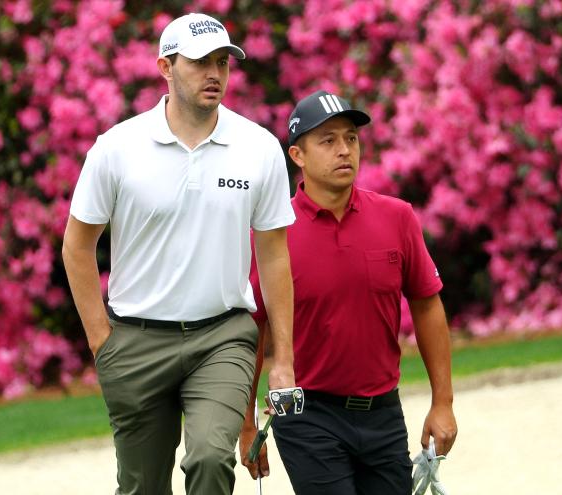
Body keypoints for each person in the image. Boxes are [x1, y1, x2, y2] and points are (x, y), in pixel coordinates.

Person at [62, 13, 296, 495]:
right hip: (134, 342)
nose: (214, 74)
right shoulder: (117, 148)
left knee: (211, 459)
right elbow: (77, 244)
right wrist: (101, 343)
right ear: (165, 68)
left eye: (222, 63)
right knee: (141, 486)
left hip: (224, 337)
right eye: (199, 63)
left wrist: (283, 358)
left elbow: (273, 257)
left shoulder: (259, 148)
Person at [239, 90, 458, 494]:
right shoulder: (272, 233)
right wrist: (247, 422)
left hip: (383, 413)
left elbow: (427, 305)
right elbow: (253, 330)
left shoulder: (397, 217)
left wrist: (442, 402)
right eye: (328, 140)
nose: (344, 150)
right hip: (307, 415)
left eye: (351, 138)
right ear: (298, 156)